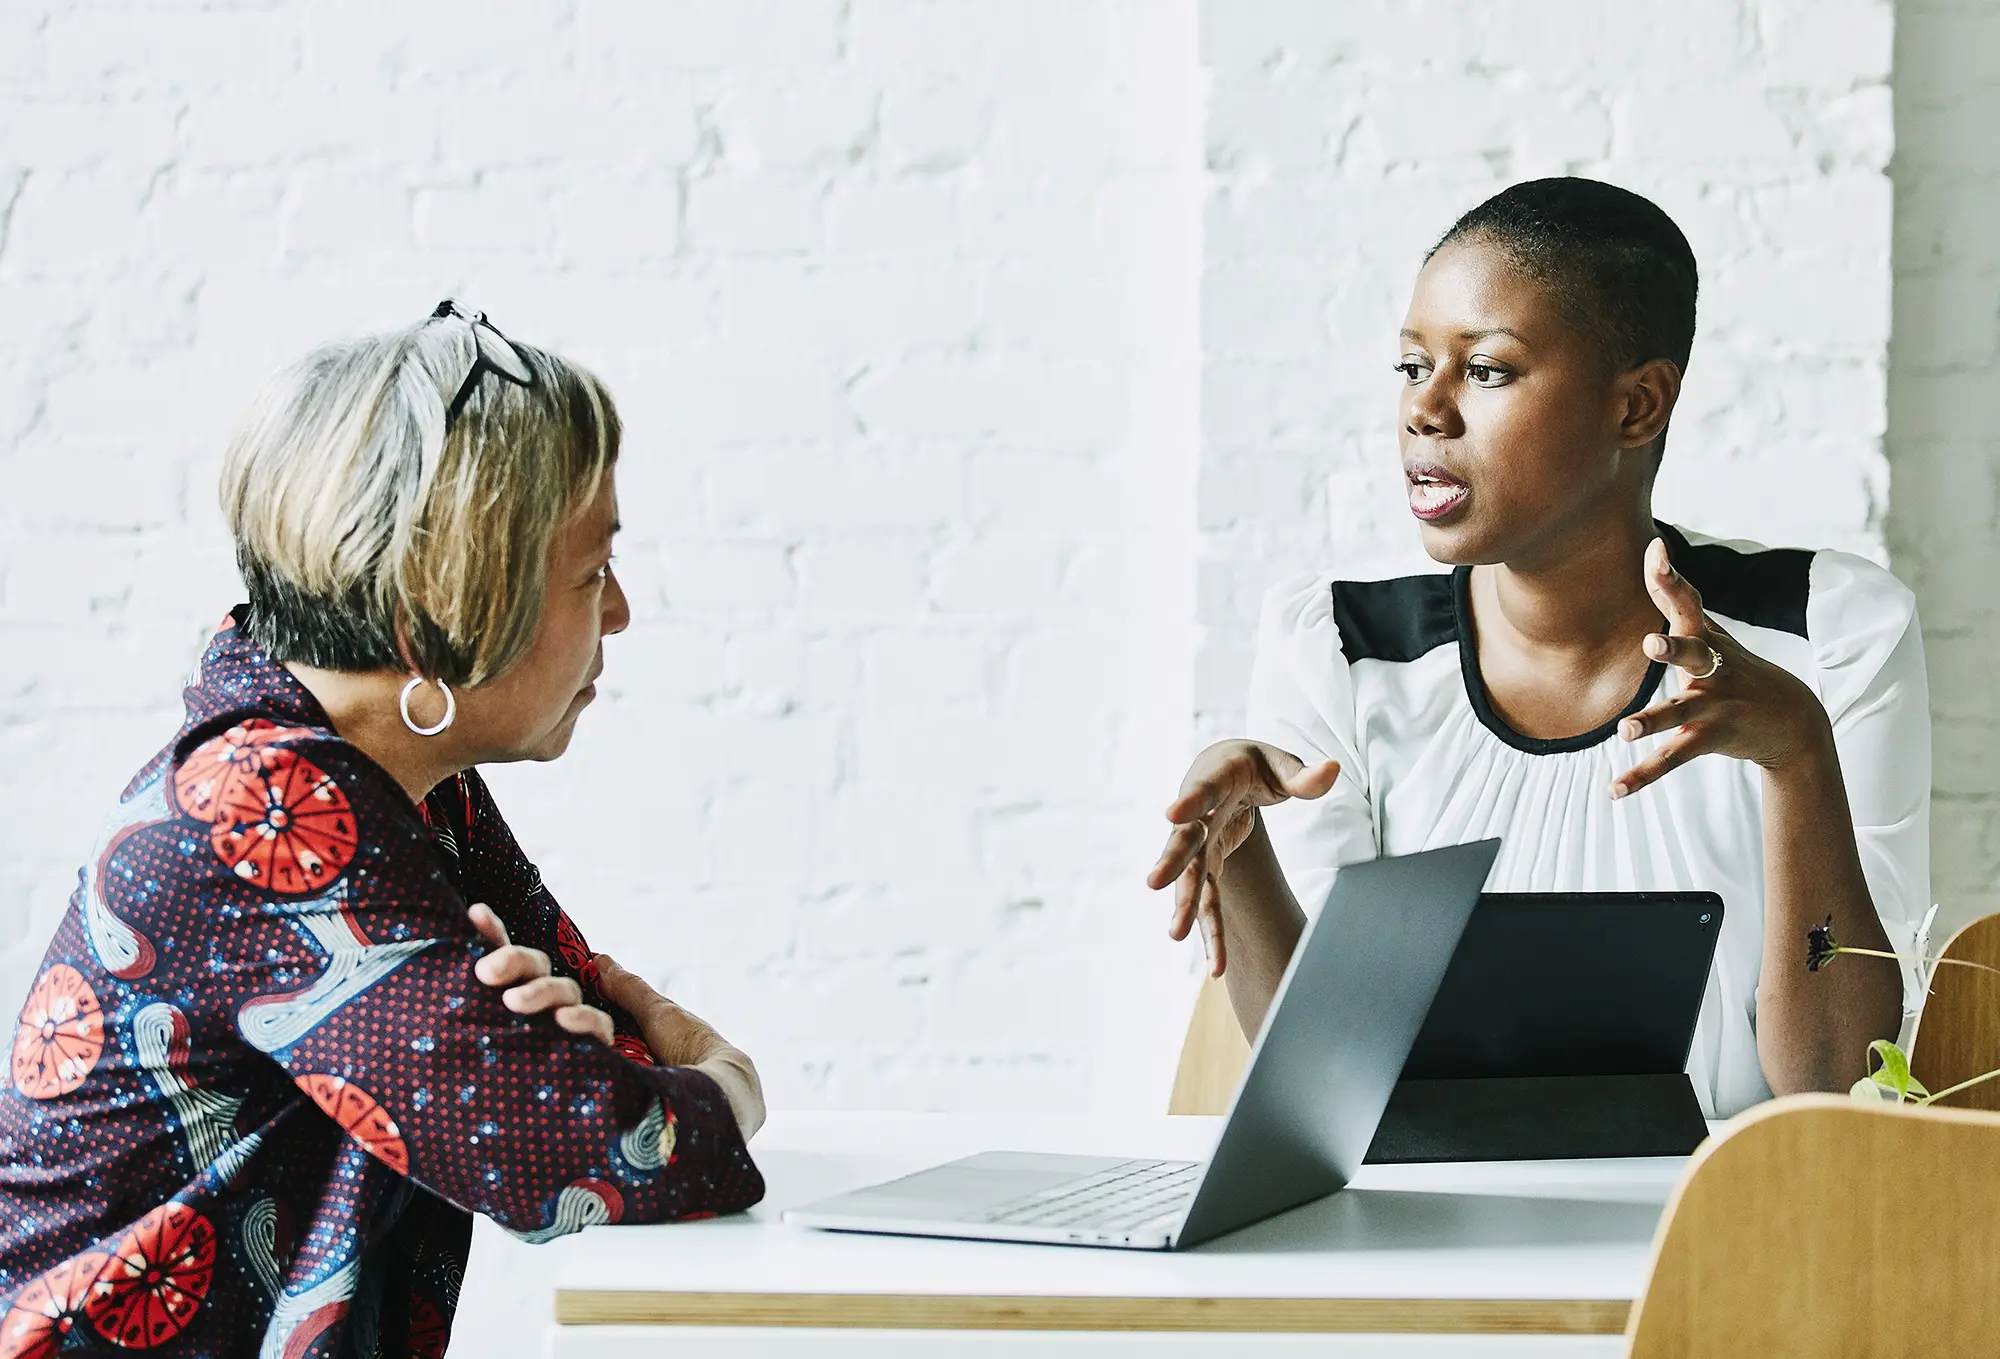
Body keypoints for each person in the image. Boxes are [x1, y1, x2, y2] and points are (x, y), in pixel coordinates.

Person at [0, 303, 765, 1357]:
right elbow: (591, 1149)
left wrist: (587, 1068)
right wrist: (724, 1077)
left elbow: (595, 1052)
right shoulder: (260, 808)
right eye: (589, 575)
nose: (621, 612)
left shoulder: (390, 781)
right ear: (435, 618)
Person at [1147, 178, 1929, 1118]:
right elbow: (1330, 1094)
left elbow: (1839, 1083)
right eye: (1410, 367)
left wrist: (1799, 753)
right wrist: (1241, 852)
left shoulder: (1828, 634)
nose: (1424, 412)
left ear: (1639, 407)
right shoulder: (1342, 652)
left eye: (1485, 371)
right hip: (1429, 1247)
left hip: (1728, 1236)